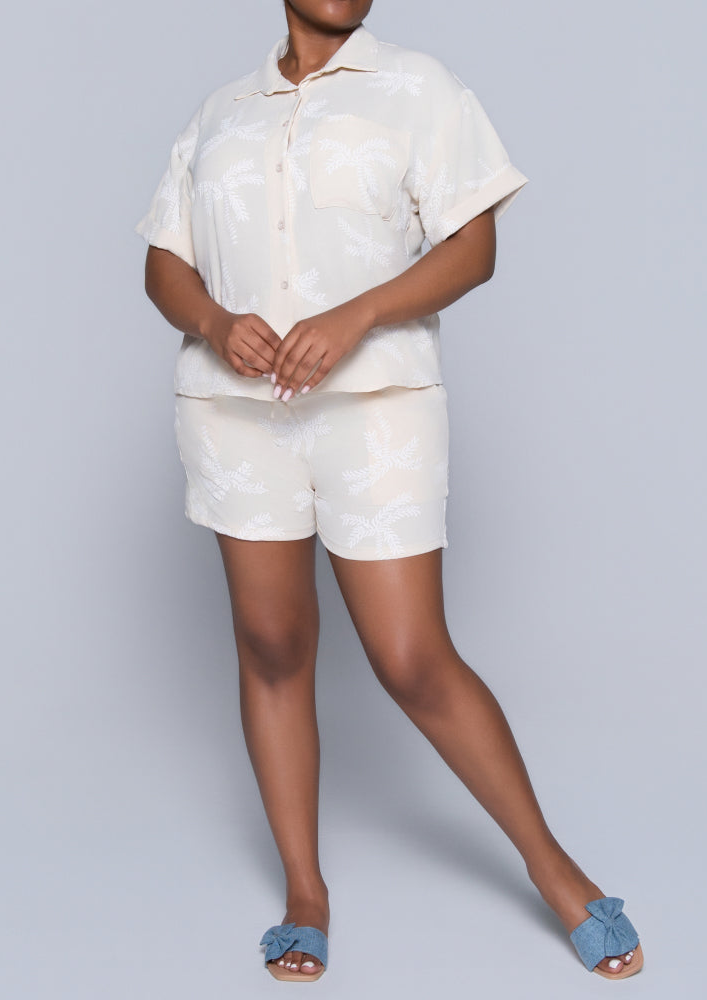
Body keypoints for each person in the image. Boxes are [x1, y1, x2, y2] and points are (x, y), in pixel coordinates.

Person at [134, 0, 643, 983]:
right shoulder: (221, 111)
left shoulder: (418, 87)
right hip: (236, 416)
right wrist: (214, 322)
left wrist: (358, 314)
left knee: (410, 657)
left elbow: (473, 247)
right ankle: (304, 893)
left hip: (374, 411)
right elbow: (163, 261)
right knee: (271, 644)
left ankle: (554, 869)